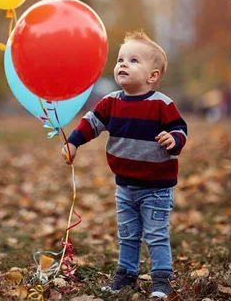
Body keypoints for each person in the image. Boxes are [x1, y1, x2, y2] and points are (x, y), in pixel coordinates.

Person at [61, 30, 187, 299]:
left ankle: (162, 279)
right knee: (128, 234)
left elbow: (180, 129)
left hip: (156, 188)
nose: (122, 65)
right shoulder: (110, 103)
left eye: (133, 60)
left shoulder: (162, 105)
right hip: (125, 187)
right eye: (120, 59)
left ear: (152, 76)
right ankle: (126, 274)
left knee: (156, 236)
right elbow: (91, 123)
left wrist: (173, 139)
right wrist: (73, 142)